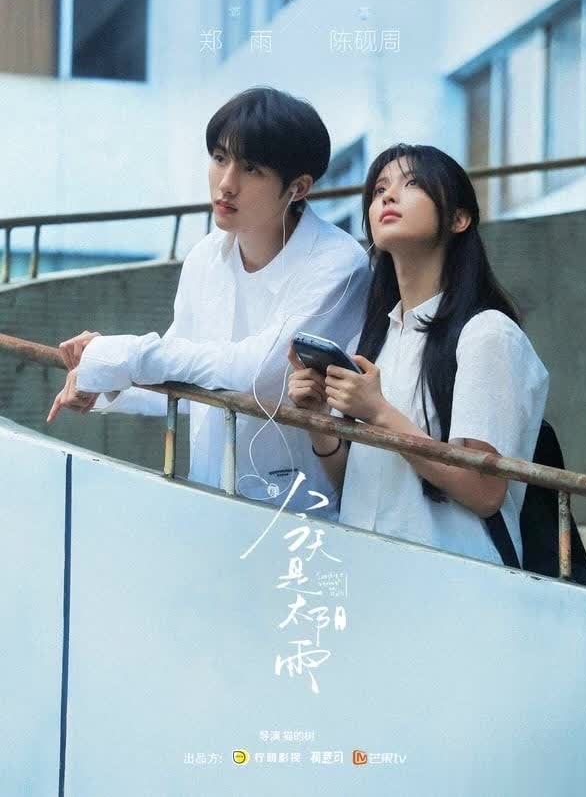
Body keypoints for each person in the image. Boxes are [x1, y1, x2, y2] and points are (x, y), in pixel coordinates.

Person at [47, 87, 371, 520]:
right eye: (220, 158)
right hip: (207, 498)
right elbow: (184, 378)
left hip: (298, 514)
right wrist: (104, 381)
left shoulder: (338, 263)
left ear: (298, 187)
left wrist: (123, 354)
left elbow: (258, 372)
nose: (226, 183)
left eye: (251, 169)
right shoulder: (205, 256)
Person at [288, 143, 549, 564]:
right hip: (367, 569)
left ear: (459, 218)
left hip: (457, 578)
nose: (388, 197)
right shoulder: (378, 337)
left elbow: (484, 490)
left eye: (412, 184)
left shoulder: (487, 334)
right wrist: (319, 421)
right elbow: (355, 485)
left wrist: (379, 413)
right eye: (379, 189)